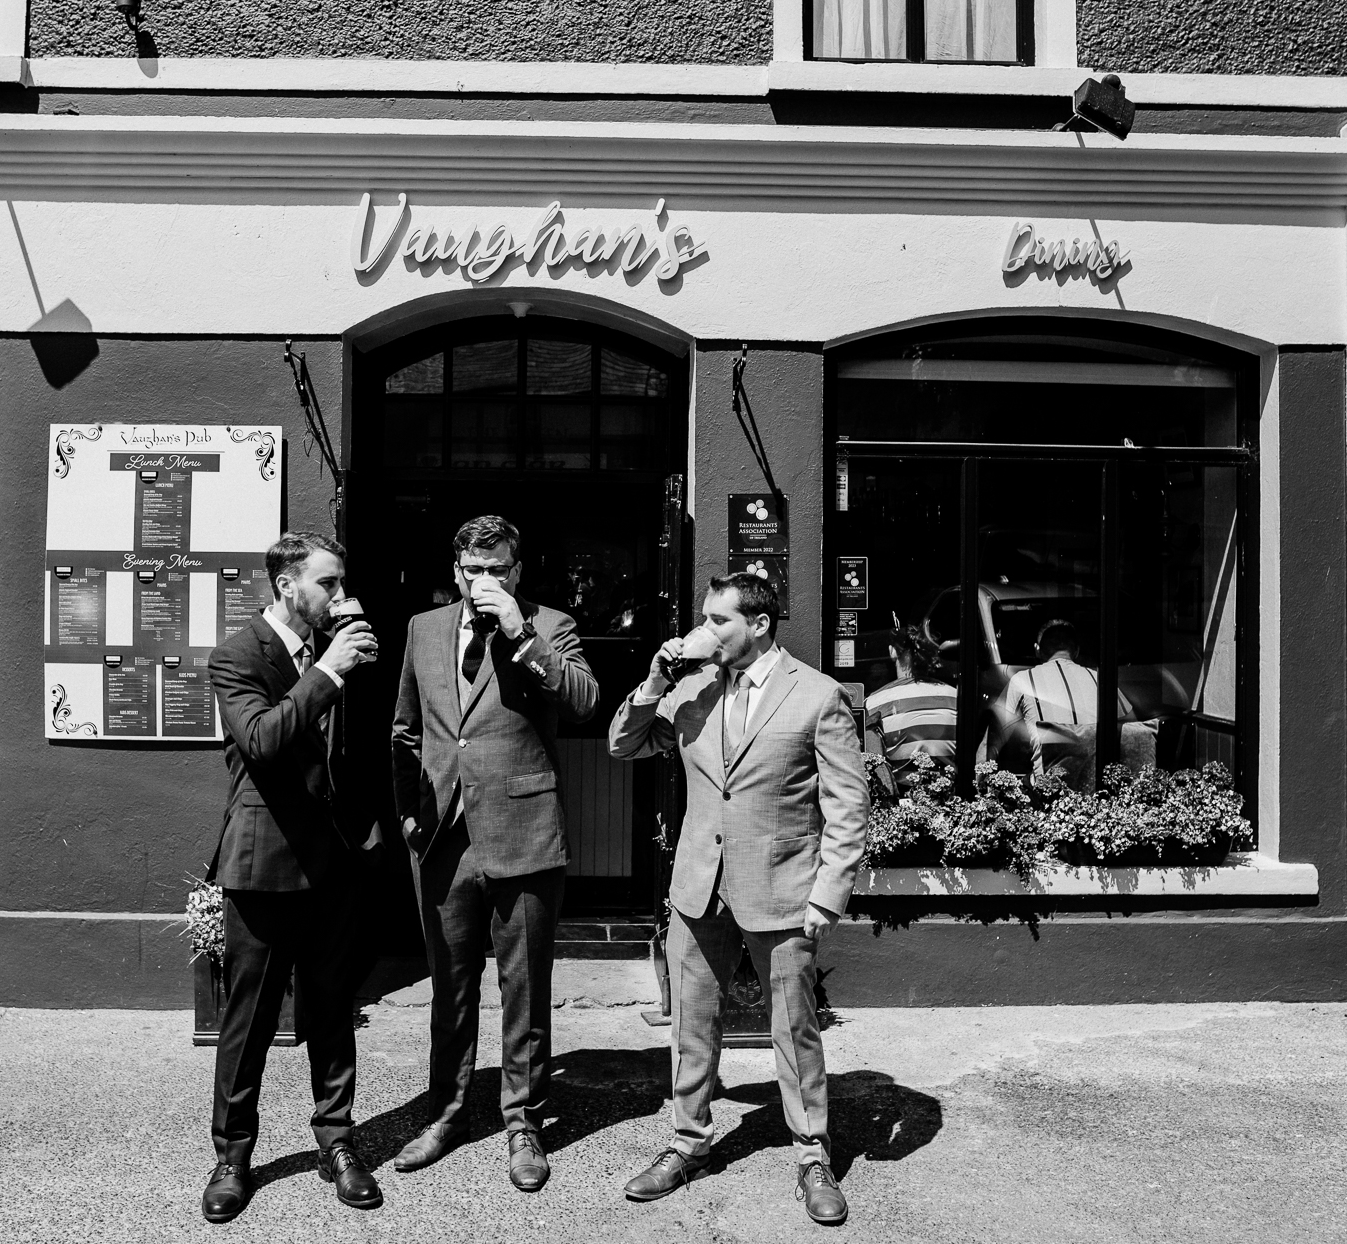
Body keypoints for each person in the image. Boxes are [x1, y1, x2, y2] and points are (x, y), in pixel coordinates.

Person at [607, 572, 869, 1227]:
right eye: (703, 618)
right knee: (691, 1027)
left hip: (783, 892)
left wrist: (826, 897)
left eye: (718, 620)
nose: (704, 630)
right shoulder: (691, 690)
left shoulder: (817, 696)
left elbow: (848, 807)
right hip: (699, 889)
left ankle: (812, 1156)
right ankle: (685, 1143)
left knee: (794, 1031)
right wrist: (654, 679)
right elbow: (623, 743)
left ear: (759, 623)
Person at [389, 515, 599, 1192]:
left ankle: (524, 1124)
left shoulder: (550, 624)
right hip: (444, 836)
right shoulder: (424, 630)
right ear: (455, 573)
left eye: (498, 570)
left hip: (524, 831)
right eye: (474, 571)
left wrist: (518, 630)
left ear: (517, 572)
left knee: (524, 988)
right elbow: (404, 729)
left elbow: (585, 701)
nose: (485, 582)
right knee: (450, 990)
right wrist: (410, 818)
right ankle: (447, 1117)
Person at [201, 531, 384, 1225]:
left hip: (338, 859)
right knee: (247, 1022)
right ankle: (233, 1155)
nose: (339, 596)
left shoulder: (342, 646)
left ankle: (337, 1142)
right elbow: (263, 741)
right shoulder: (238, 654)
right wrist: (330, 673)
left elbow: (356, 747)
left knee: (335, 1011)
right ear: (287, 585)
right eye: (328, 585)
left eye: (341, 584)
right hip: (266, 861)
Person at [992, 618, 1134, 786]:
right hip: (1099, 790)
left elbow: (991, 741)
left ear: (1037, 650)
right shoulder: (1101, 681)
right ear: (1077, 651)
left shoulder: (1022, 681)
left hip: (1049, 792)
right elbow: (1134, 730)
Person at [863, 617, 958, 790]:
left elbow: (873, 766)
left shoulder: (874, 703)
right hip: (950, 802)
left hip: (899, 807)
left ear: (892, 652)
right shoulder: (956, 697)